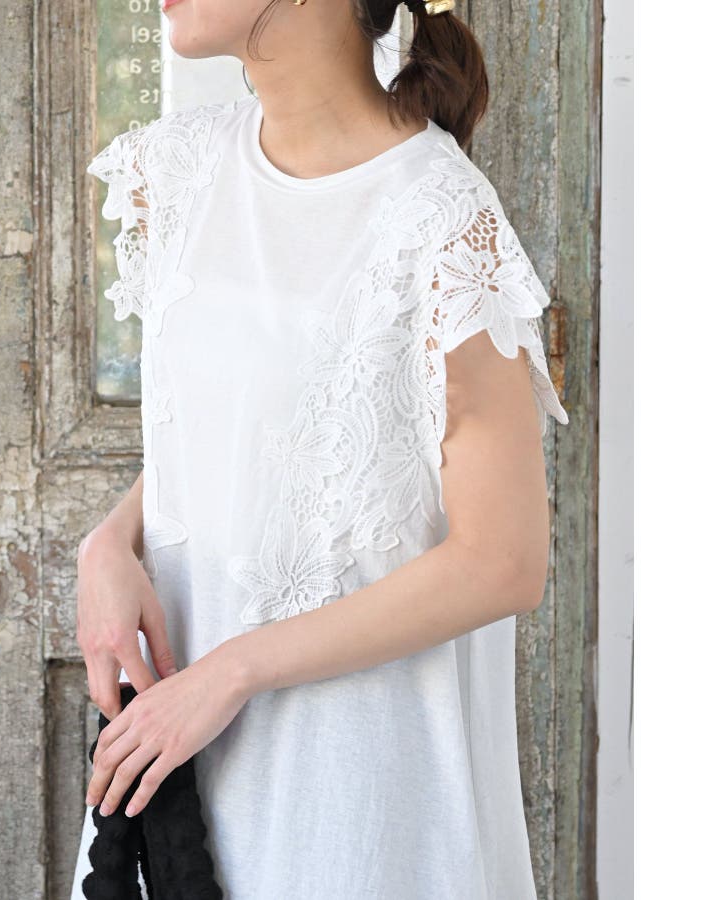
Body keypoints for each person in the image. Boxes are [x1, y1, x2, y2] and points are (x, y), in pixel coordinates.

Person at [70, 0, 571, 897]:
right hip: (176, 758)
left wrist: (232, 673)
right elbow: (255, 433)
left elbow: (503, 562)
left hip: (354, 795)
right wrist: (110, 542)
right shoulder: (178, 170)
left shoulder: (444, 220)